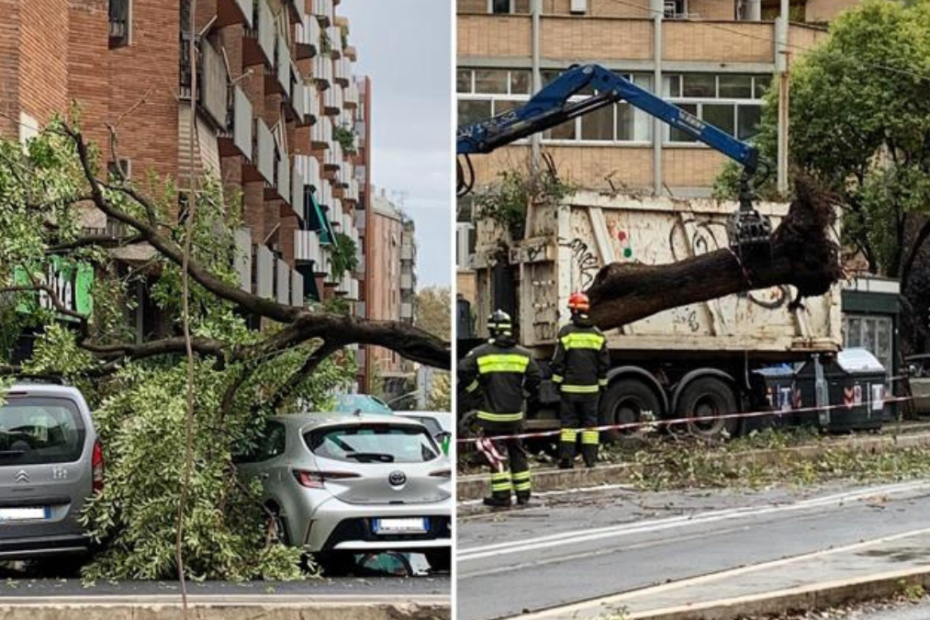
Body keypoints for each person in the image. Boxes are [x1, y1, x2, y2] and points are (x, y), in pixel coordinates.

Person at [458, 309, 541, 507]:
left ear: (491, 330)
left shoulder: (481, 353)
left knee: (496, 455)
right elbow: (535, 377)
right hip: (514, 416)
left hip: (491, 416)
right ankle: (523, 495)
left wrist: (477, 391)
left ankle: (502, 497)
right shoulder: (523, 354)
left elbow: (462, 369)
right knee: (517, 453)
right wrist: (524, 393)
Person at [550, 292, 609, 469]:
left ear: (573, 311)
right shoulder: (598, 334)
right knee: (590, 425)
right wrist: (601, 384)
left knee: (568, 425)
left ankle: (567, 459)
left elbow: (558, 361)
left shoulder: (566, 333)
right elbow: (604, 363)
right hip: (590, 390)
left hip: (569, 389)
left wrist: (556, 382)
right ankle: (590, 460)